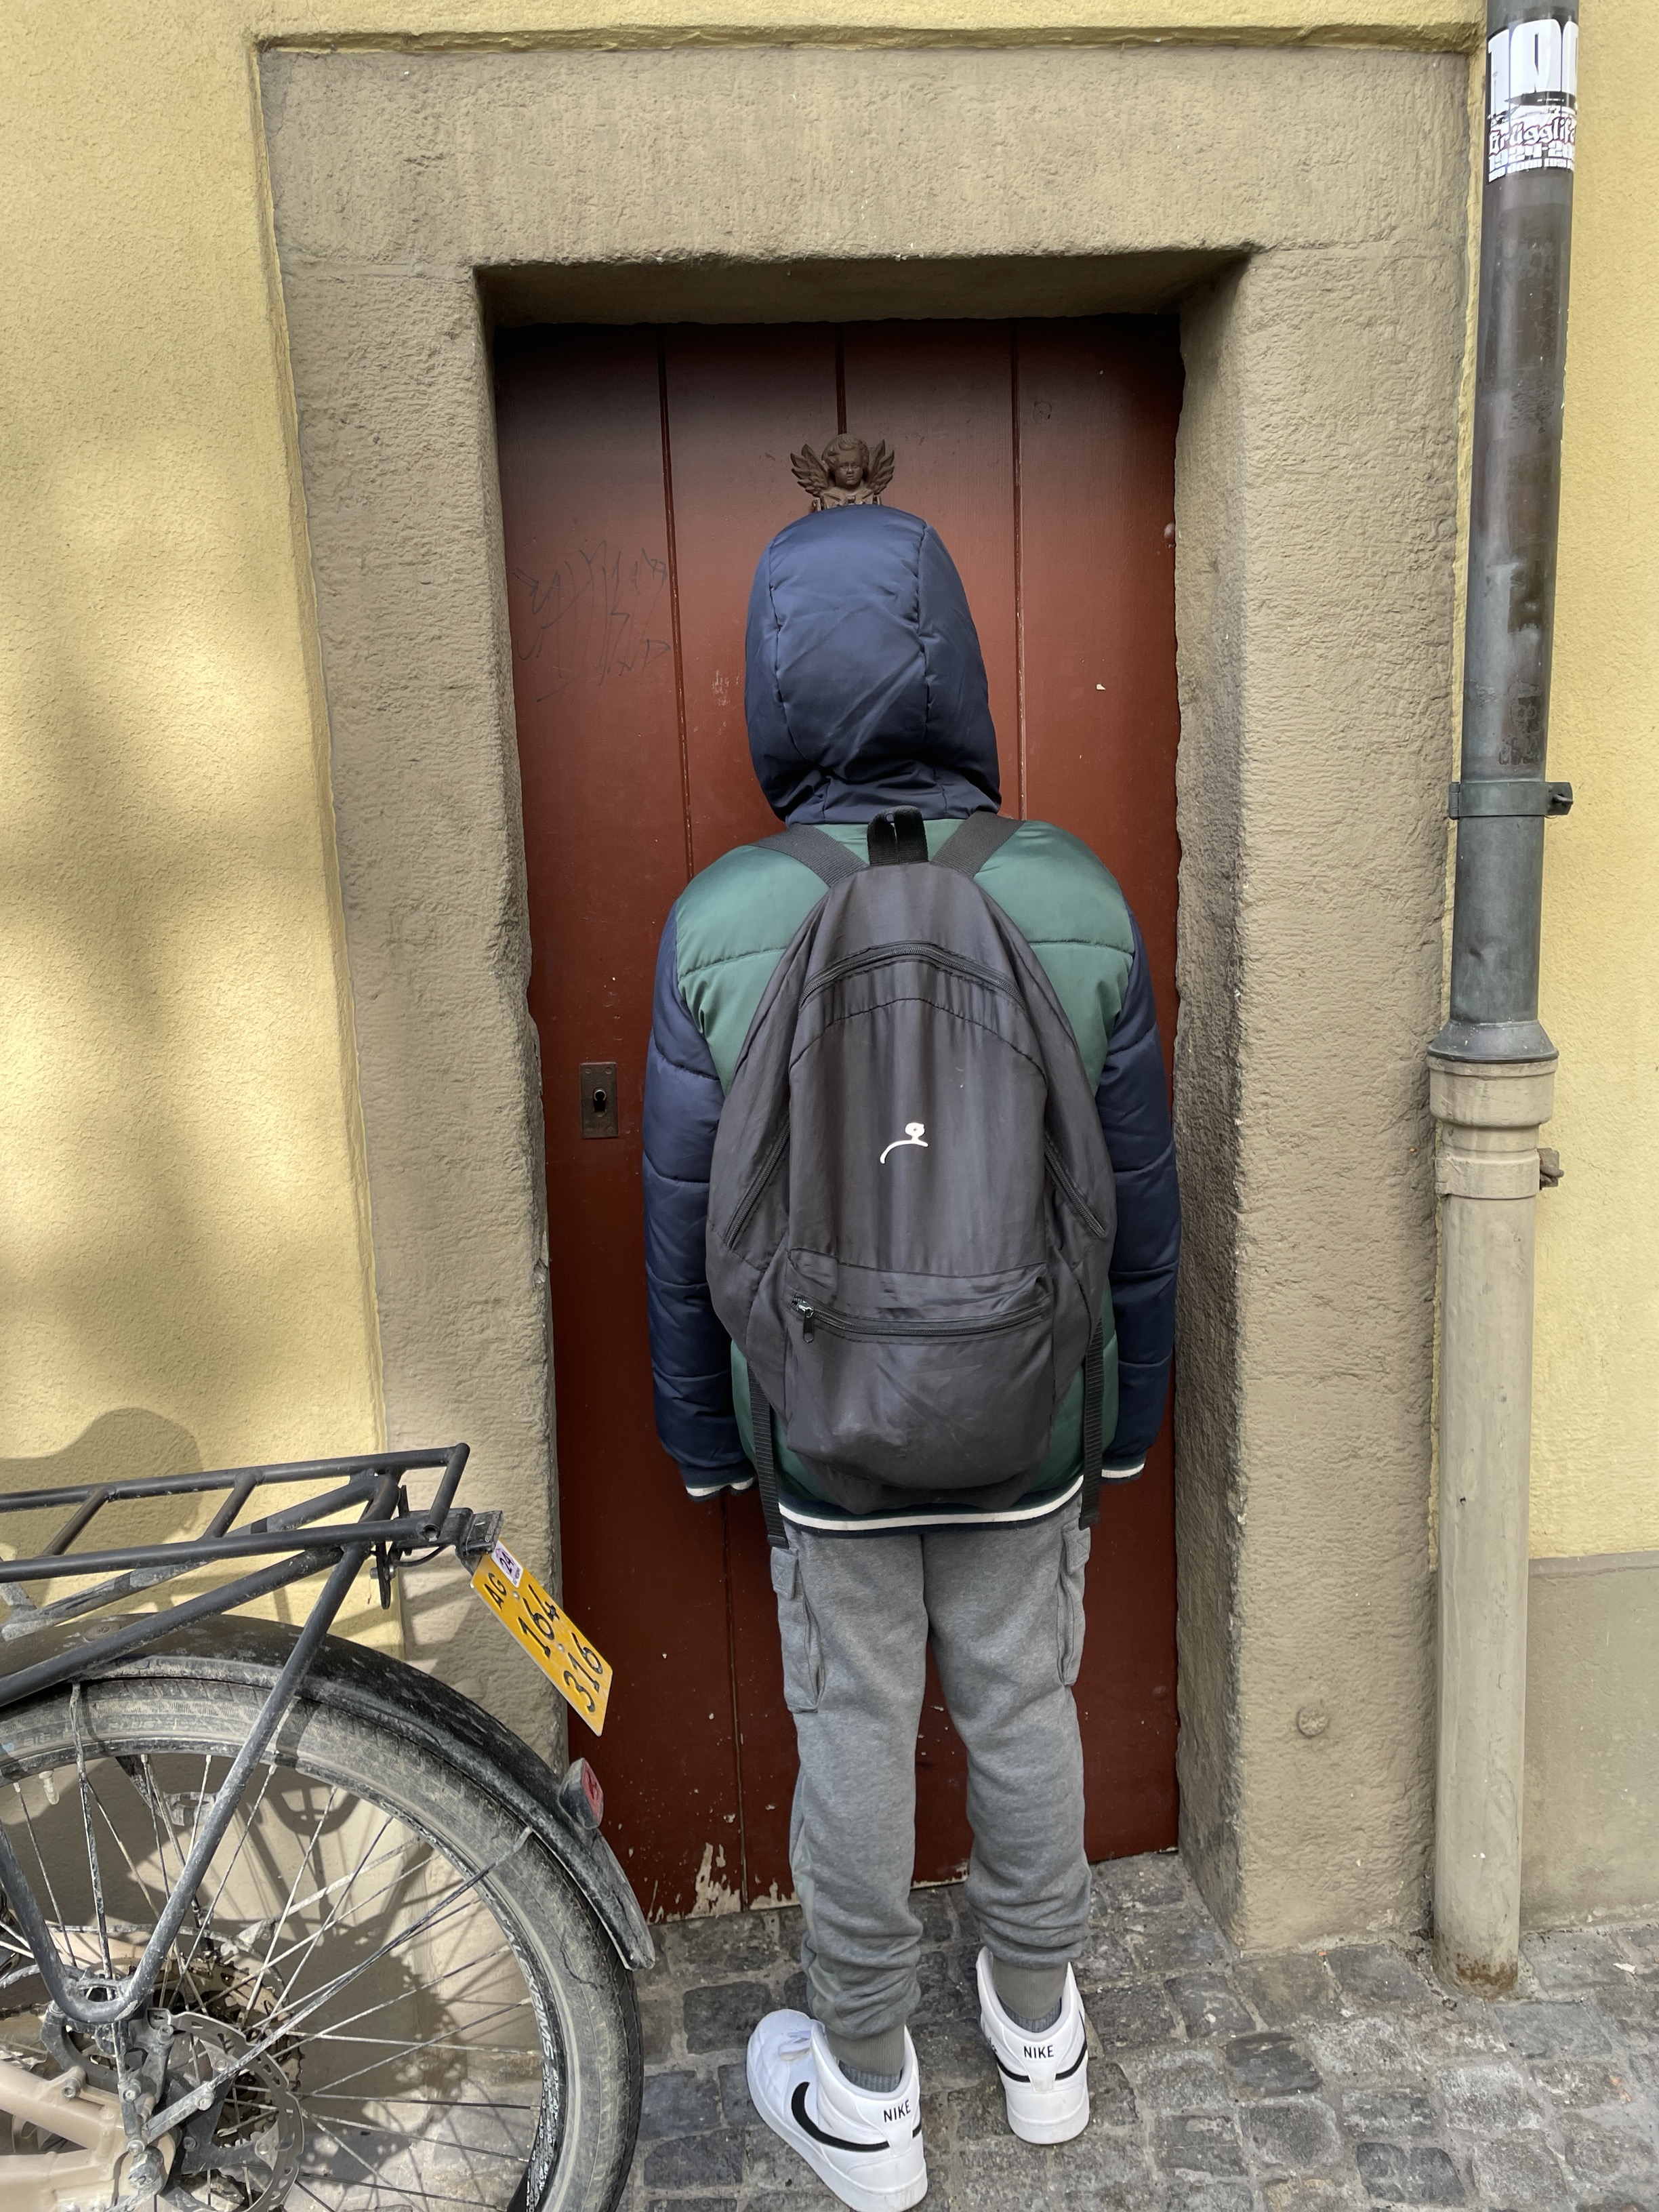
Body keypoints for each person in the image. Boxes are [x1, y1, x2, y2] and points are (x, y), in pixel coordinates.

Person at [642, 501, 1179, 2211]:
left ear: (775, 685)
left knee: (853, 1733)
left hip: (823, 1427)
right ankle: (1043, 2039)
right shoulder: (1070, 892)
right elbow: (1139, 1199)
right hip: (1032, 1411)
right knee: (1025, 1708)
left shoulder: (722, 916)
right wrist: (1129, 1418)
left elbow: (684, 1222)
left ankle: (867, 2092)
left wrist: (703, 1439)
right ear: (959, 665)